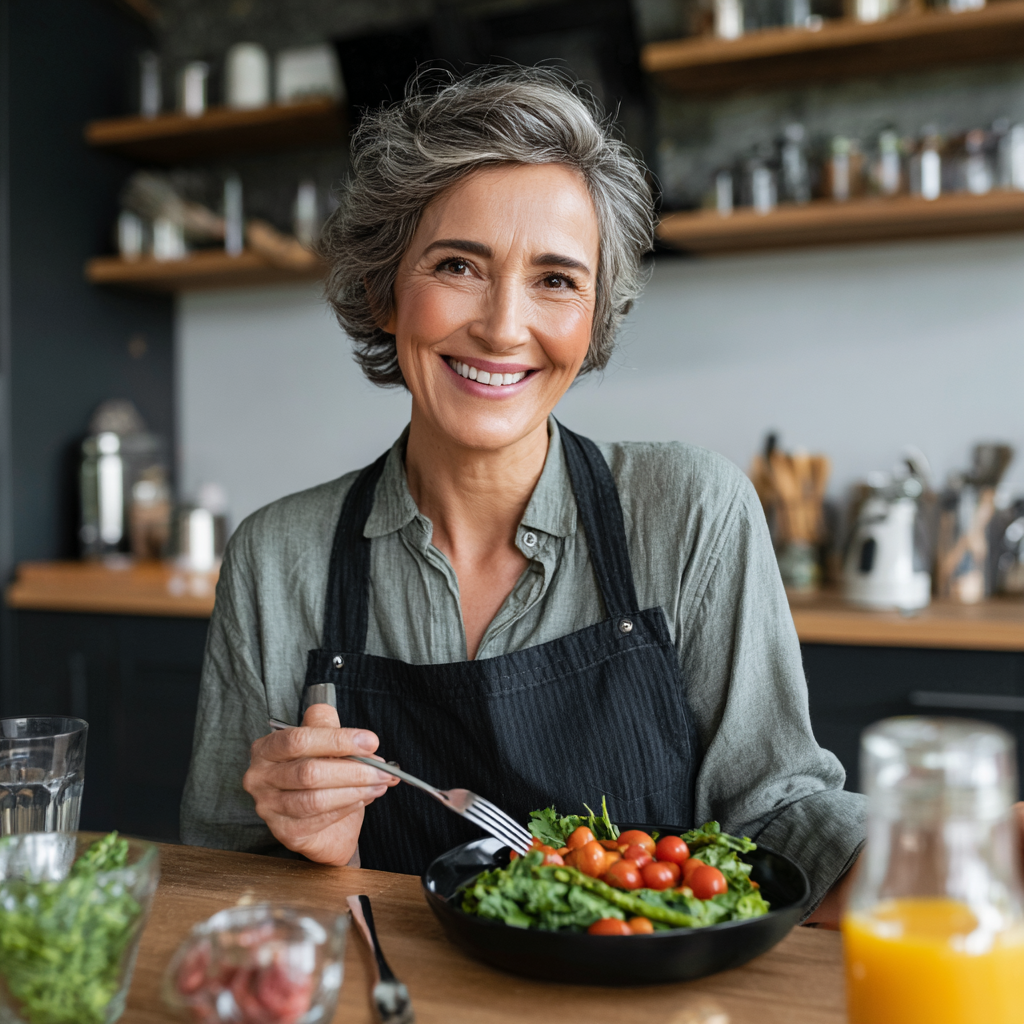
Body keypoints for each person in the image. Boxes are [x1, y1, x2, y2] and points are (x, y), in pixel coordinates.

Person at [181, 67, 866, 923]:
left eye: (555, 279)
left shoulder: (692, 510)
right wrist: (312, 849)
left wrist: (957, 850)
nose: (505, 326)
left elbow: (777, 817)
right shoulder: (276, 557)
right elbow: (218, 881)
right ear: (382, 292)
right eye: (459, 265)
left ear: (592, 320)